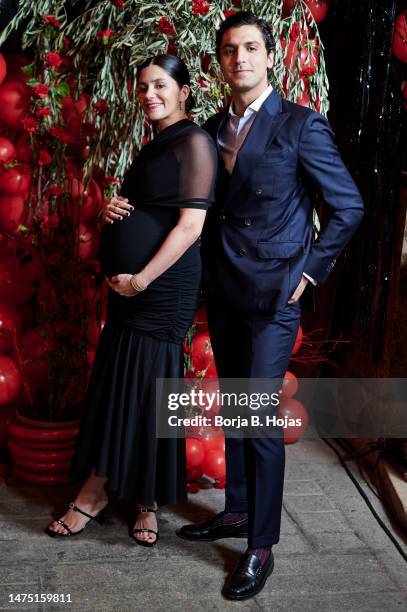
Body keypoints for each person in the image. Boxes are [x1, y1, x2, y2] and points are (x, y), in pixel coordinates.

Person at [106, 10, 364, 600]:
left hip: (275, 294)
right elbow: (191, 206)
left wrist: (311, 269)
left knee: (262, 420)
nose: (239, 58)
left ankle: (260, 547)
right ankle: (239, 510)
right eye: (228, 50)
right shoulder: (212, 129)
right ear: (219, 63)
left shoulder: (302, 125)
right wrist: (124, 211)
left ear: (270, 56)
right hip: (223, 288)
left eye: (250, 47)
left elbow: (349, 207)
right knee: (239, 408)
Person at [44, 54, 218, 547]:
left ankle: (96, 494)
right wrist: (109, 211)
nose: (149, 94)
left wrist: (141, 279)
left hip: (161, 288)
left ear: (184, 91)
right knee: (136, 385)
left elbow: (190, 226)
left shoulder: (195, 142)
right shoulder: (157, 144)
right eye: (142, 86)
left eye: (160, 85)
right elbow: (149, 211)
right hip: (132, 288)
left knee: (144, 381)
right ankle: (147, 499)